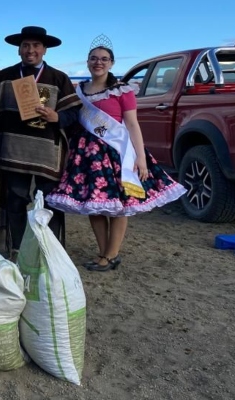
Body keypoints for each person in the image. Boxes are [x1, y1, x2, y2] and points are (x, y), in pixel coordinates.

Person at [45, 38, 186, 271]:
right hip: (86, 156)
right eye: (93, 58)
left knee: (119, 205)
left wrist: (140, 157)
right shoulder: (79, 91)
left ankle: (111, 255)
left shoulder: (122, 91)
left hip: (116, 154)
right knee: (94, 204)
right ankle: (103, 253)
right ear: (88, 62)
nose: (98, 62)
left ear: (111, 63)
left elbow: (132, 125)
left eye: (103, 59)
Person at [0, 26, 82, 260]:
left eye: (36, 46)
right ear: (19, 50)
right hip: (12, 152)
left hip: (47, 154)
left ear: (44, 50)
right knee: (15, 201)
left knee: (48, 204)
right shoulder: (5, 77)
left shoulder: (59, 78)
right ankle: (16, 249)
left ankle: (49, 251)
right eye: (26, 45)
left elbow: (74, 113)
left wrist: (57, 117)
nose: (30, 50)